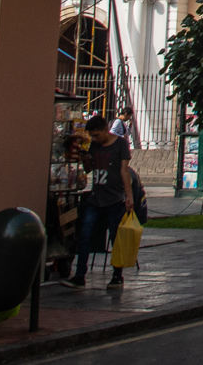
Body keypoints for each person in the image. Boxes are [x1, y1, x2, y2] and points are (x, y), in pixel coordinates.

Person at [69, 114, 133, 289]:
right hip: (96, 198)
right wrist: (85, 161)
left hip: (114, 199)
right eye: (92, 136)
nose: (94, 139)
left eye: (96, 135)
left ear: (106, 129)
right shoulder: (94, 146)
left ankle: (117, 275)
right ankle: (80, 274)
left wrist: (129, 196)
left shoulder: (120, 144)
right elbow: (89, 170)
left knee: (115, 238)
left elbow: (124, 170)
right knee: (85, 235)